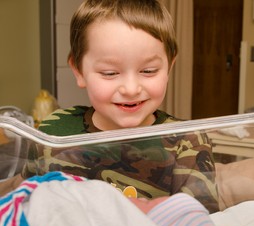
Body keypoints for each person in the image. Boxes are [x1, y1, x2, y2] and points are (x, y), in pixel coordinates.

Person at [0, 0, 219, 214]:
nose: (131, 89)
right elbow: (27, 209)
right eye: (110, 73)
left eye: (149, 70)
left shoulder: (188, 140)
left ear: (169, 67)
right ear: (78, 70)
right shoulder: (52, 131)